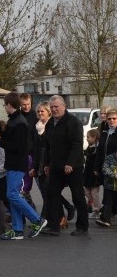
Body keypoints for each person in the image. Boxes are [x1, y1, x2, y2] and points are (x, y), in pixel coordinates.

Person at [0, 92, 47, 240]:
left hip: (18, 163)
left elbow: (19, 147)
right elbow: (10, 138)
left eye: (5, 105)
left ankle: (37, 219)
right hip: (12, 163)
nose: (4, 107)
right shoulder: (14, 120)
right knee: (11, 196)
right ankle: (17, 229)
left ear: (10, 105)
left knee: (12, 195)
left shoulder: (20, 122)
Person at [41, 95, 89, 236]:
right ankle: (54, 225)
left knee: (78, 196)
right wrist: (47, 164)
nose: (54, 109)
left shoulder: (73, 122)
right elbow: (48, 145)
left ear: (64, 106)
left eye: (56, 106)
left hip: (73, 167)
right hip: (56, 166)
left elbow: (77, 145)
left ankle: (82, 226)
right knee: (51, 194)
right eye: (52, 107)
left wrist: (70, 163)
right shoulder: (50, 123)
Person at [95, 108, 117, 227]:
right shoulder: (105, 132)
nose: (112, 121)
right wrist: (96, 167)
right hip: (105, 167)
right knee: (109, 192)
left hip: (113, 167)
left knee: (110, 193)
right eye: (109, 119)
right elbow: (99, 150)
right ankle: (107, 215)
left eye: (114, 118)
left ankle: (106, 216)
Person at [83, 129, 101, 219]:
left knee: (94, 193)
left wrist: (97, 170)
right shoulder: (89, 148)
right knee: (86, 191)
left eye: (88, 137)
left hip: (94, 174)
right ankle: (92, 204)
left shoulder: (97, 149)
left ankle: (96, 210)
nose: (87, 139)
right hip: (87, 173)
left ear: (94, 138)